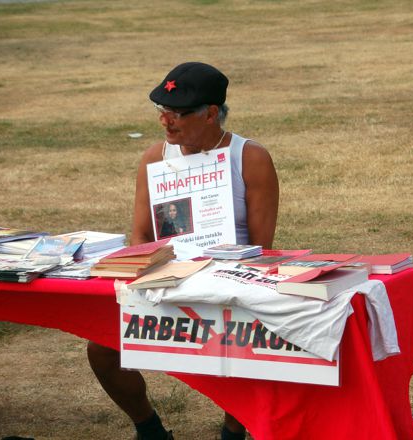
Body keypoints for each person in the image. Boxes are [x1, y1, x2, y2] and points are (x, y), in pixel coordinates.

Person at [87, 62, 279, 440]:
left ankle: (233, 430)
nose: (166, 122)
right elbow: (141, 236)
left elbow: (262, 249)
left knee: (247, 349)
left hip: (228, 285)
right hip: (167, 281)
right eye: (162, 112)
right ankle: (149, 429)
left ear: (210, 114)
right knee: (101, 349)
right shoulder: (154, 159)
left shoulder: (250, 158)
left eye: (178, 114)